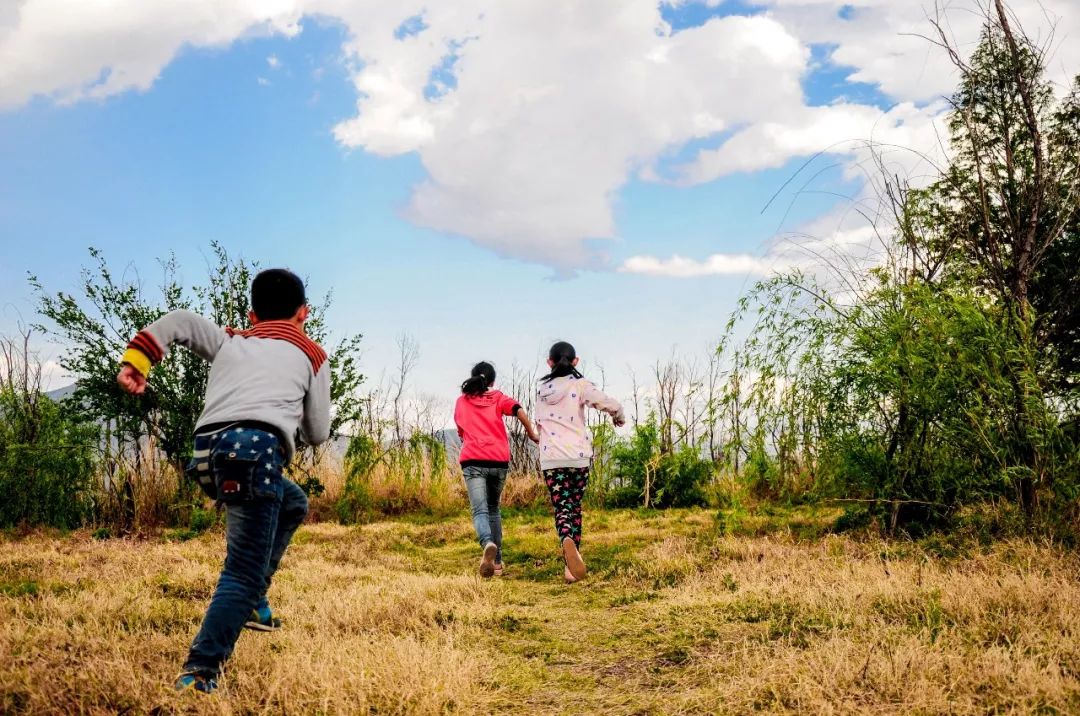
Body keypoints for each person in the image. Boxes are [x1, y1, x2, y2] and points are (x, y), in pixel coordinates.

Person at [116, 268, 330, 694]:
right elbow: (319, 430)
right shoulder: (311, 354)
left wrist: (137, 363)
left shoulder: (233, 340)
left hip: (206, 456)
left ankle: (256, 605)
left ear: (252, 315)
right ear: (304, 313)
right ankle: (201, 670)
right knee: (242, 572)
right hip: (253, 453)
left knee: (292, 502)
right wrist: (293, 430)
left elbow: (178, 320)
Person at [536, 341, 624, 583]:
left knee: (562, 507)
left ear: (549, 363)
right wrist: (619, 415)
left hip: (551, 458)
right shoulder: (580, 385)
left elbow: (540, 424)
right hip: (578, 457)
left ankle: (566, 539)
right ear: (576, 361)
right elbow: (608, 403)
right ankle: (572, 565)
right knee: (574, 506)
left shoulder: (541, 391)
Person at [454, 361, 539, 577]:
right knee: (493, 509)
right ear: (492, 381)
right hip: (498, 460)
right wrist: (531, 432)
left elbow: (461, 431)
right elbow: (518, 409)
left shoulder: (462, 401)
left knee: (480, 510)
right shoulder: (498, 397)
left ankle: (487, 543)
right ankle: (498, 563)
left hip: (473, 460)